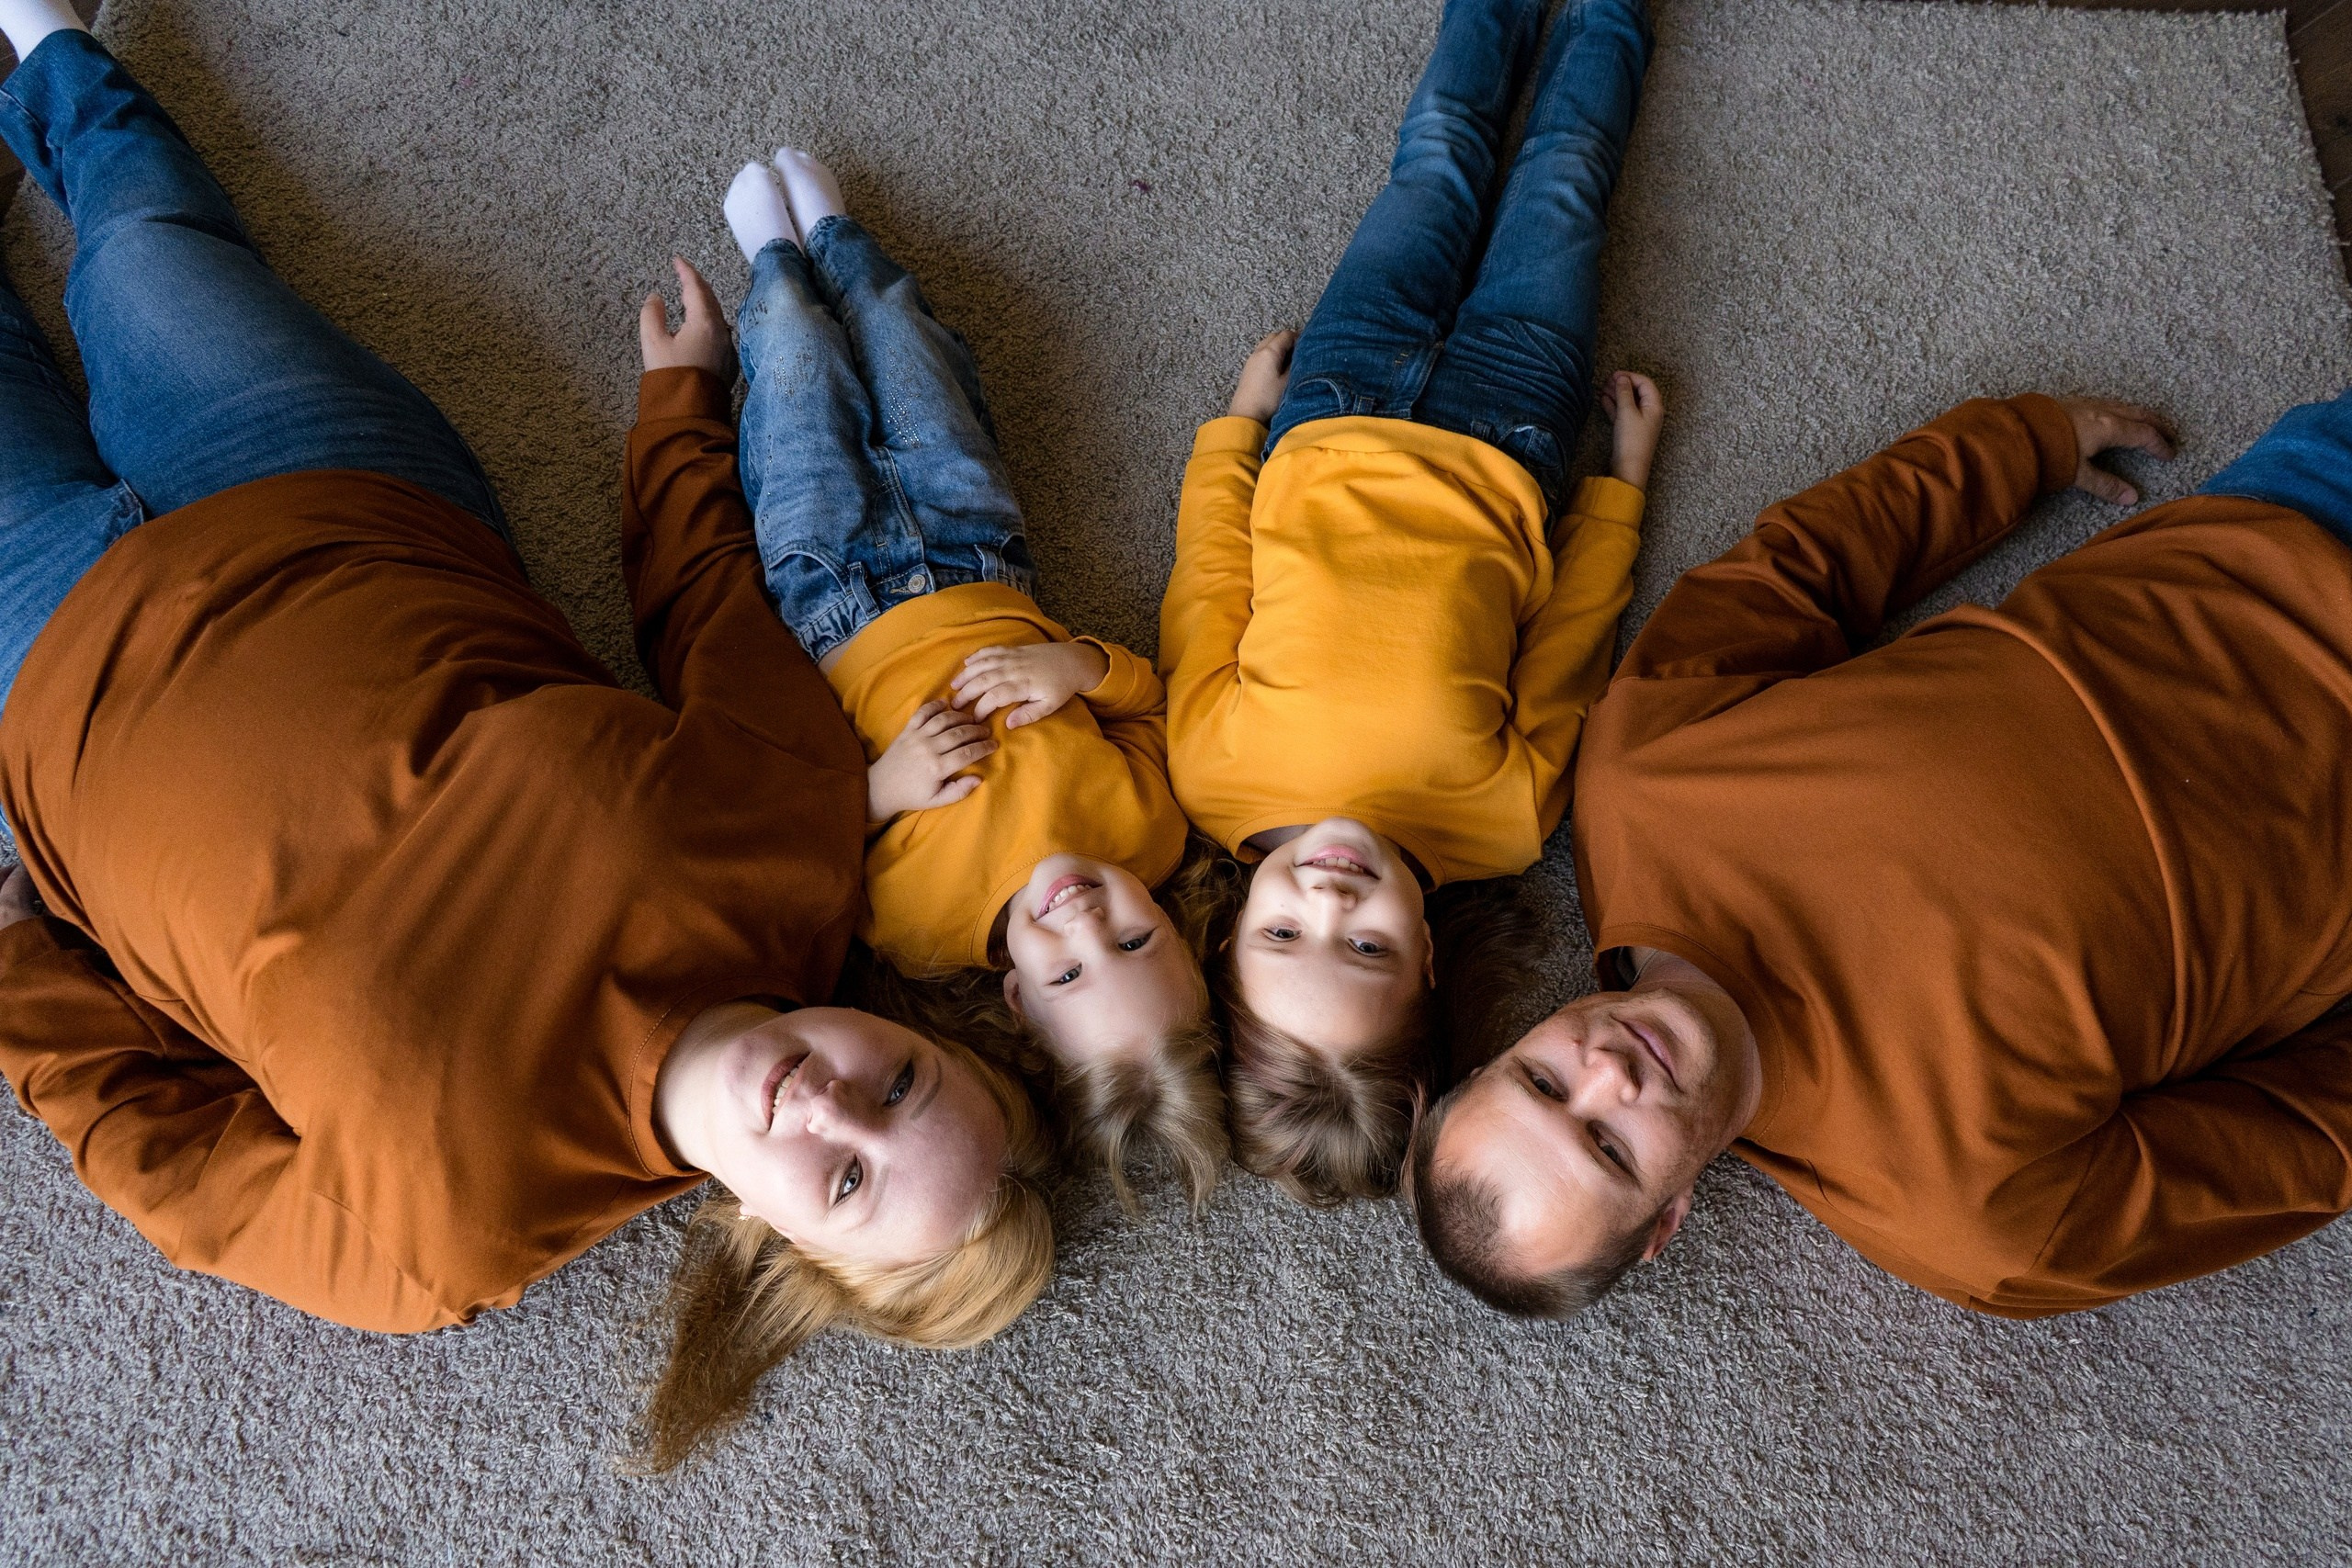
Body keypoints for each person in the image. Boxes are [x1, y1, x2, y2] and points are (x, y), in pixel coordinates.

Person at [0, 8, 1048, 1472]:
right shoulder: (794, 859)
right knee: (144, 242)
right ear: (913, 1033)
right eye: (899, 1083)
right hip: (333, 488)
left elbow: (162, 1160)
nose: (828, 1102)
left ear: (782, 1246)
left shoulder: (448, 1238)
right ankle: (46, 44)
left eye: (848, 1179)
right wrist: (679, 403)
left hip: (49, 665)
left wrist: (30, 971)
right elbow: (708, 614)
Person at [1408, 382, 2352, 1322]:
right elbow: (2300, 1145)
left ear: (1508, 1046)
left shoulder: (1635, 780)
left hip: (2279, 528)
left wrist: (2017, 446)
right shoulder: (1976, 1226)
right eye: (1610, 1147)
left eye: (1543, 1079)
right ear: (1665, 1222)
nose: (1608, 1072)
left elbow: (1806, 566)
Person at [1161, 0, 1664, 1206]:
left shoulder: (1212, 774)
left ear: (1226, 941)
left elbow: (1211, 579)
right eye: (1368, 946)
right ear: (1431, 956)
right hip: (1512, 431)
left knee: (1438, 153)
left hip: (1333, 401)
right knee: (1565, 179)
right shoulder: (1500, 819)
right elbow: (1572, 639)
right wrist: (1625, 486)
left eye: (1285, 936)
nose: (1329, 900)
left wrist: (1235, 422)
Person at [699, 152, 1227, 1210]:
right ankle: (840, 242)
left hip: (834, 596)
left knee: (797, 381)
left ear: (1021, 1008)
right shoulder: (1152, 829)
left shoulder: (918, 929)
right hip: (982, 555)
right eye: (1135, 938)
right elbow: (1155, 705)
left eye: (1072, 970)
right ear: (1178, 930)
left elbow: (806, 841)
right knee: (910, 352)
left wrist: (886, 789)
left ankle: (772, 264)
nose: (1084, 919)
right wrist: (1077, 666)